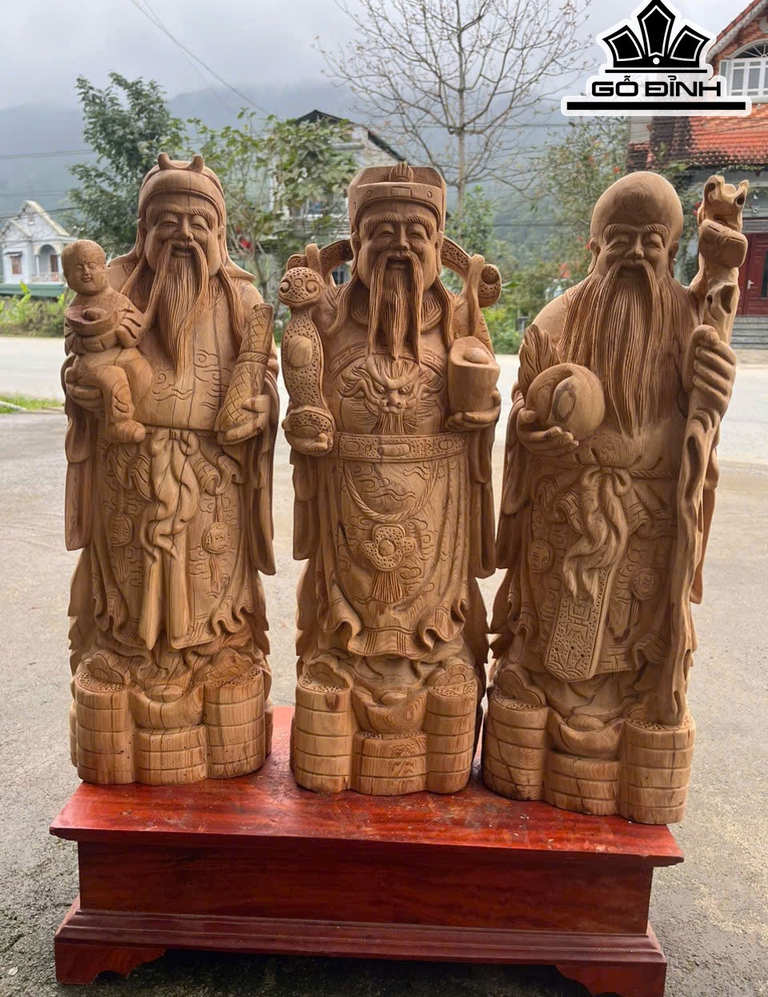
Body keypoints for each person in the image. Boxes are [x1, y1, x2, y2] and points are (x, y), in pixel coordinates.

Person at [485, 171, 743, 823]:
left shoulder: (691, 320)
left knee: (636, 628)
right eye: (619, 239)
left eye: (651, 240)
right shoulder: (555, 321)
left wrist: (713, 393)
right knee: (551, 620)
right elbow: (524, 402)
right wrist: (529, 430)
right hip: (568, 509)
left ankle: (625, 711)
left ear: (673, 249)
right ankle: (542, 698)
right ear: (594, 245)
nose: (633, 253)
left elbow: (700, 424)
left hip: (647, 519)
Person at [280, 162, 500, 795]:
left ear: (438, 243)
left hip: (438, 502)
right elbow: (302, 392)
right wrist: (305, 424)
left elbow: (483, 388)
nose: (401, 245)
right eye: (383, 232)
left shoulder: (458, 319)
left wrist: (482, 414)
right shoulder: (327, 319)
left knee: (430, 600)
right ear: (356, 241)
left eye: (416, 232)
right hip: (347, 500)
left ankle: (432, 660)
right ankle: (344, 660)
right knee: (349, 600)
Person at [63, 154, 278, 785]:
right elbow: (78, 360)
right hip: (128, 467)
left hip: (213, 474)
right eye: (167, 222)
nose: (183, 235)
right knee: (131, 577)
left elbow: (263, 376)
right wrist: (80, 388)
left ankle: (213, 658)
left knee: (210, 578)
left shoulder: (240, 298)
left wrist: (261, 408)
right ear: (143, 230)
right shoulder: (112, 290)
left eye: (198, 223)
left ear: (219, 232)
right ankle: (129, 659)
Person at [62, 239, 148, 443]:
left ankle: (134, 410)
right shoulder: (74, 309)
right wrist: (93, 338)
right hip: (92, 365)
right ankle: (119, 422)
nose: (86, 272)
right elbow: (71, 342)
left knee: (142, 373)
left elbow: (135, 330)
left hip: (126, 357)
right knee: (112, 377)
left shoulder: (119, 301)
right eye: (78, 268)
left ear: (104, 269)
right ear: (67, 276)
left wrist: (119, 329)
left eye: (92, 265)